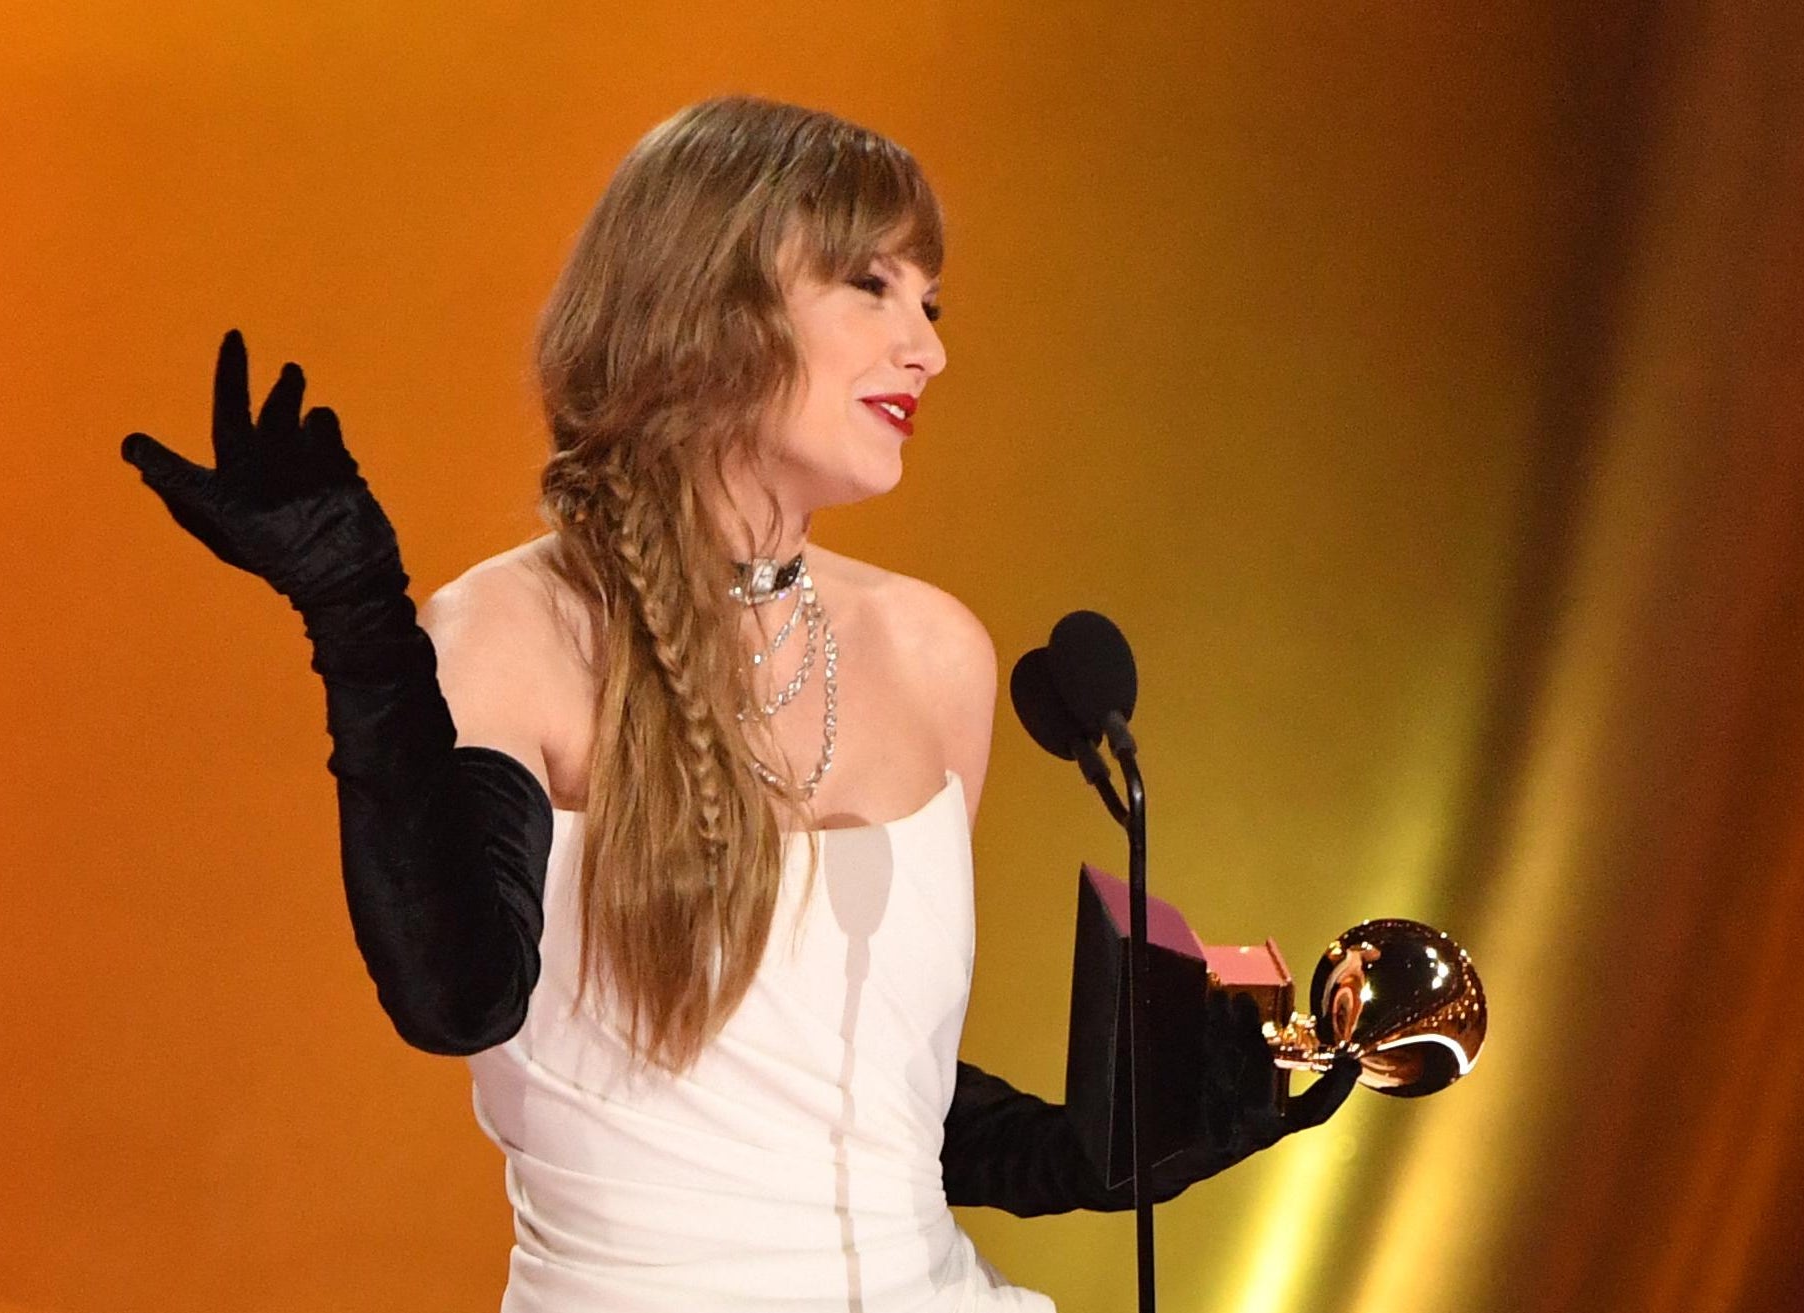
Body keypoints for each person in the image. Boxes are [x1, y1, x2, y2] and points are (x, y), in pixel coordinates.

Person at [121, 95, 1354, 1312]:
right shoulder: (509, 630)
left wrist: (1083, 1154)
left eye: (930, 302)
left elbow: (856, 1097)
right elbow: (456, 995)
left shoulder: (935, 653)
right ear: (707, 304)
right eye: (871, 286)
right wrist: (354, 615)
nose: (926, 346)